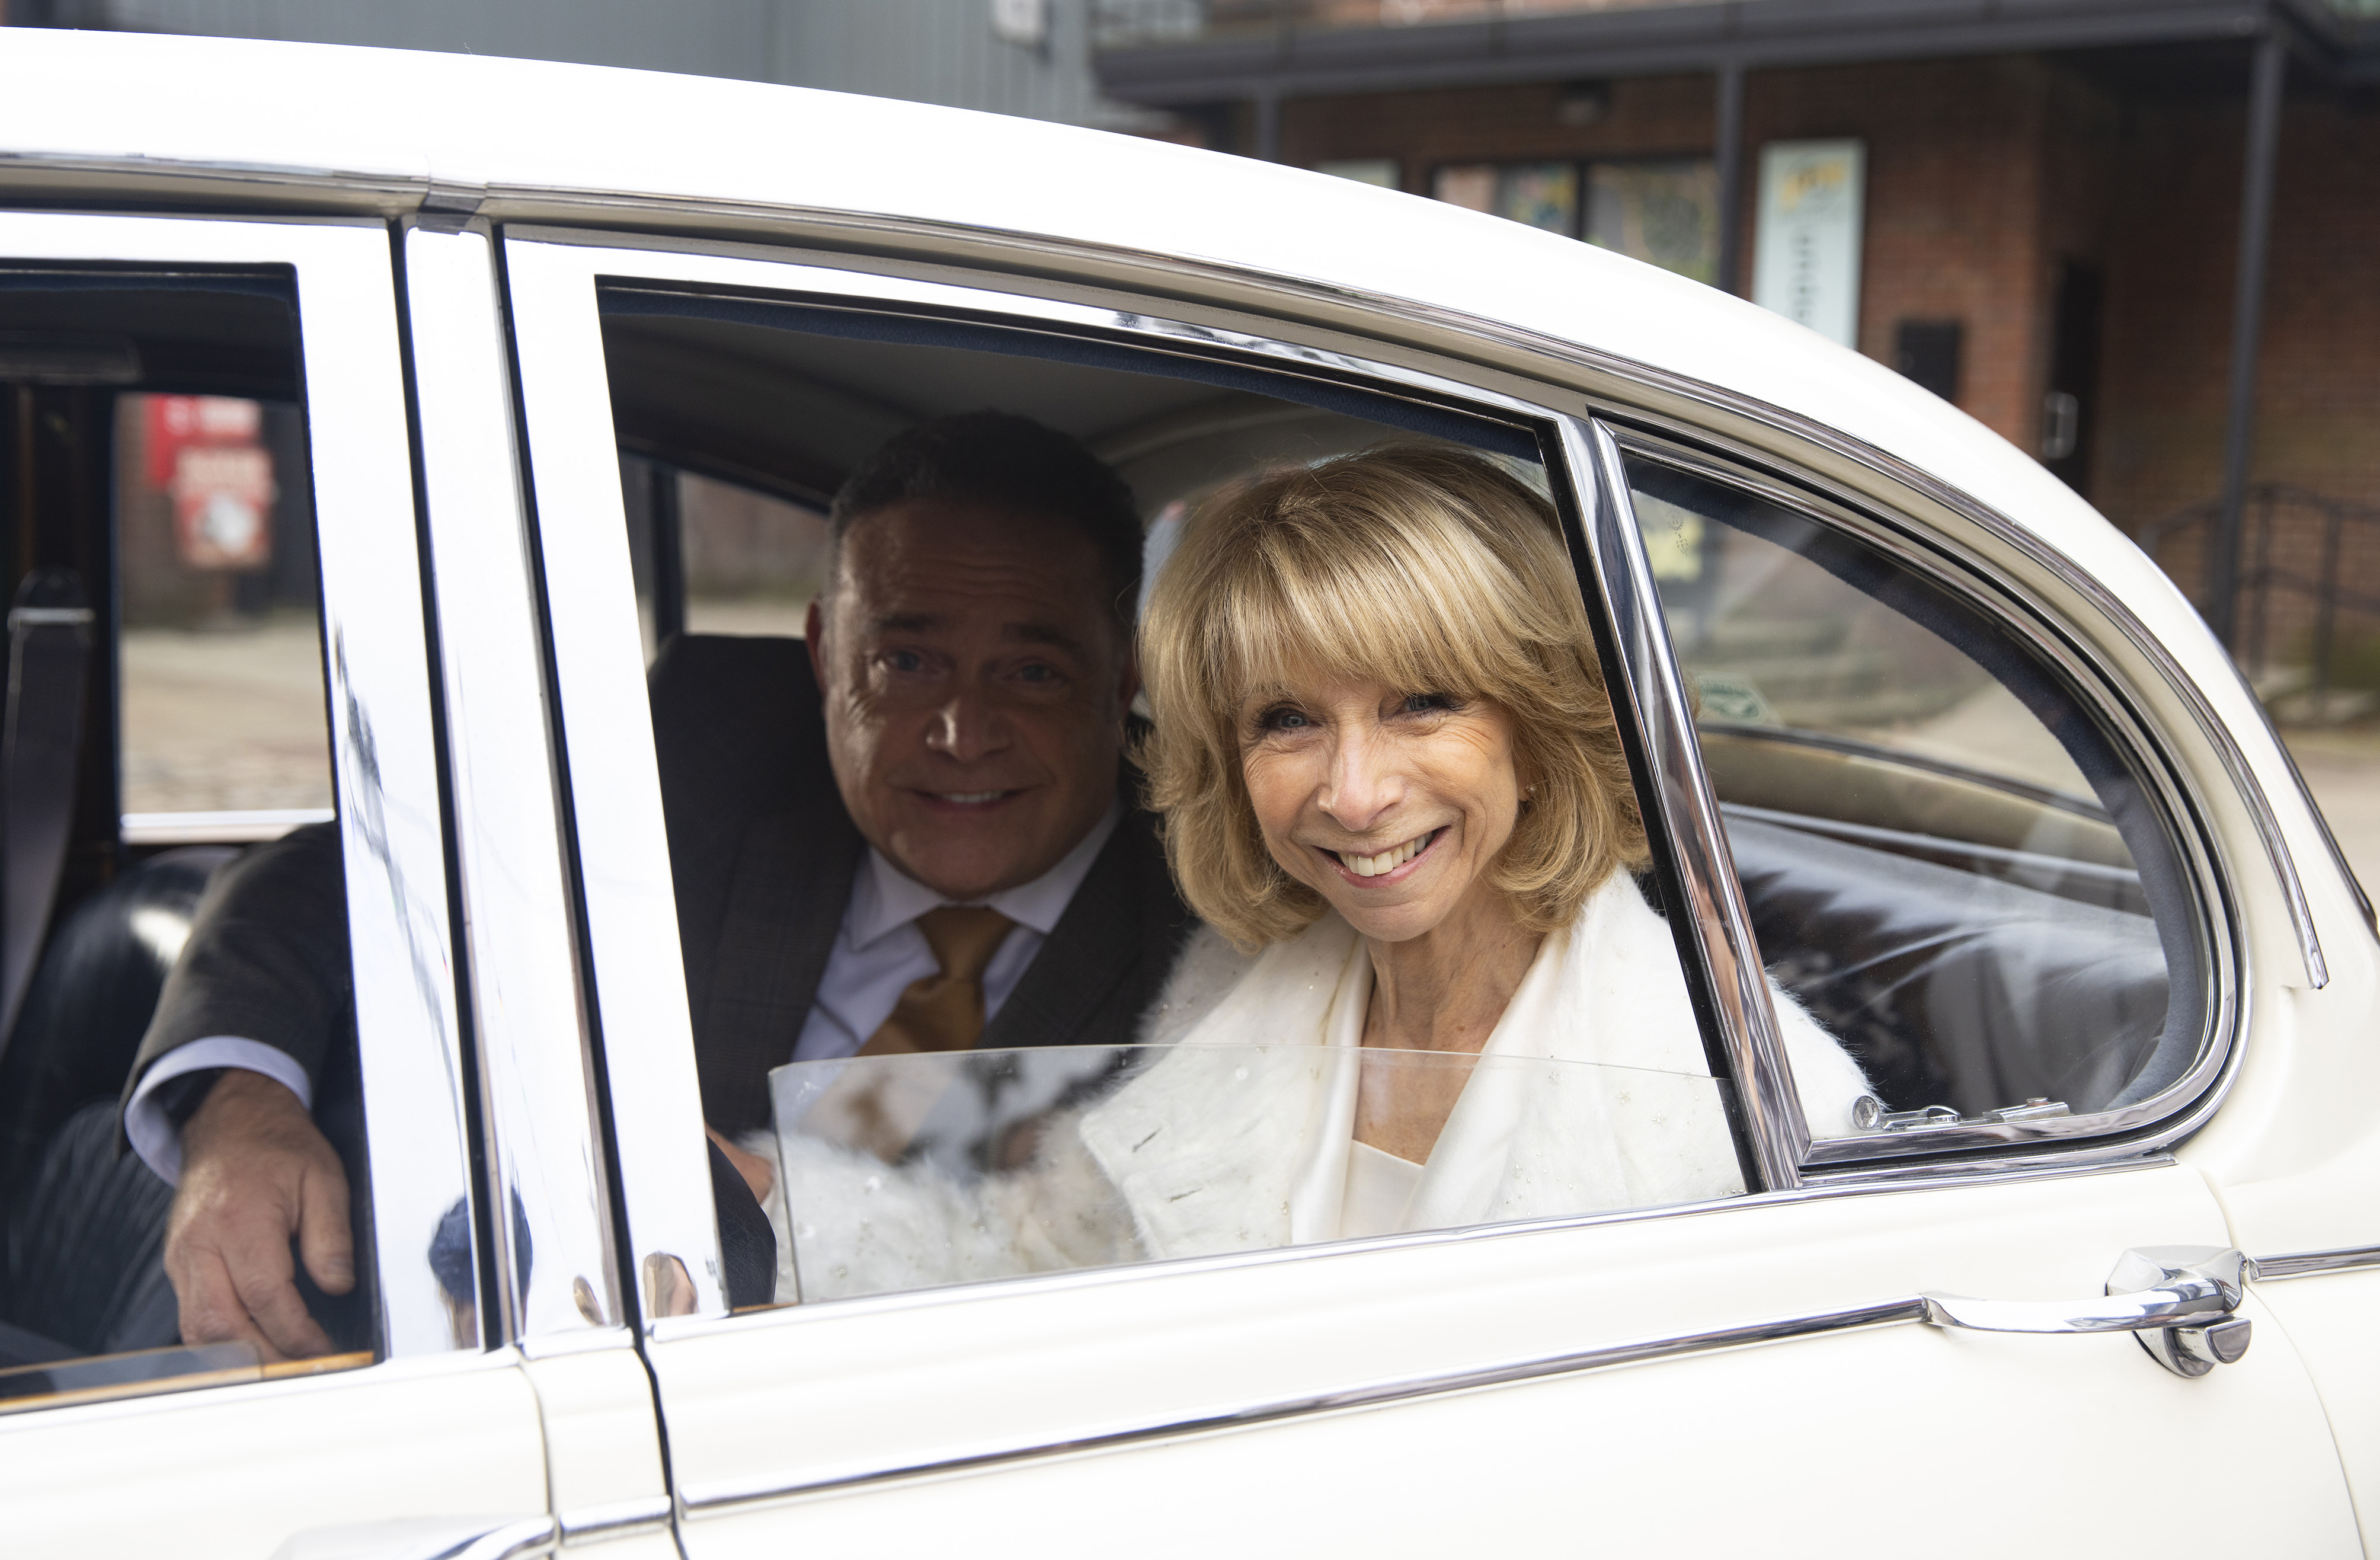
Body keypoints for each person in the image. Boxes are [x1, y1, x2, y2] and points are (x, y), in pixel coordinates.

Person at [120, 411, 1194, 1356]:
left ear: (1126, 677)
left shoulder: (1211, 904)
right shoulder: (711, 737)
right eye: (906, 663)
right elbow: (352, 871)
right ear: (825, 652)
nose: (963, 733)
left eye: (1033, 671)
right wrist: (240, 1108)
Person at [762, 444, 1871, 1301]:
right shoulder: (1241, 986)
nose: (1350, 793)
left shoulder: (1757, 1107)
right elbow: (1046, 1261)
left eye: (1422, 703)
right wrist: (769, 1200)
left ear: (1540, 727)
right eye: (1287, 720)